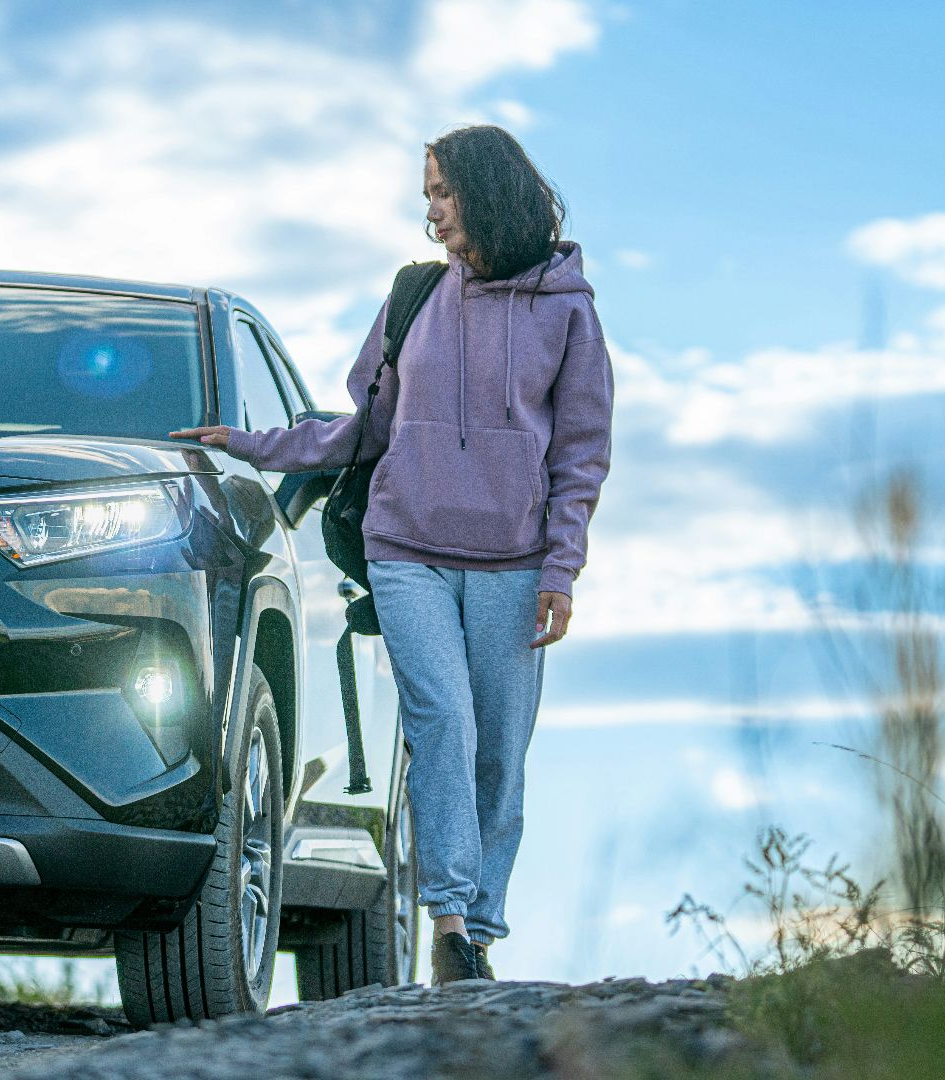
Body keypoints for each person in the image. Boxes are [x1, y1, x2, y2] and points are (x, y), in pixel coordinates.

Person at [171, 124, 614, 985]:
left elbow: (582, 454)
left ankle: (480, 923)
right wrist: (256, 445)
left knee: (499, 748)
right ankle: (450, 924)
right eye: (428, 198)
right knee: (439, 721)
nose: (432, 214)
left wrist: (561, 569)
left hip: (514, 561)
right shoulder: (414, 297)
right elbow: (365, 429)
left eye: (443, 194)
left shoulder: (568, 309)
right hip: (405, 547)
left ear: (487, 193)